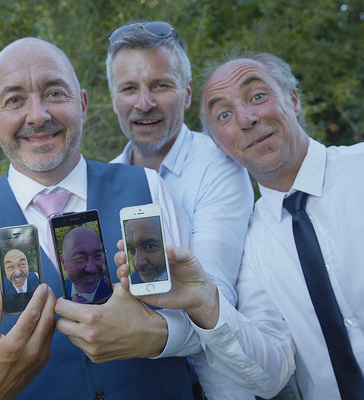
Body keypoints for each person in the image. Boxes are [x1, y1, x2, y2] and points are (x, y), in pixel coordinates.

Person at [0, 37, 222, 399]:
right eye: (15, 100)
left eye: (55, 93)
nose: (38, 115)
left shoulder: (148, 188)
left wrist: (158, 334)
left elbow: (207, 328)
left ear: (82, 103)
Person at [118, 52, 364, 400]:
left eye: (258, 97)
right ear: (219, 144)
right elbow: (271, 374)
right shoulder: (253, 246)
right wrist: (204, 301)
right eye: (224, 114)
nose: (246, 119)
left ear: (293, 100)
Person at [107, 21, 255, 399]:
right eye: (129, 88)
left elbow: (213, 294)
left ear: (187, 93)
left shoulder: (219, 166)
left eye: (160, 85)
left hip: (214, 384)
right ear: (112, 99)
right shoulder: (103, 180)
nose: (144, 103)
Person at [61, 226, 111, 303]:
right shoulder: (58, 293)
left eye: (97, 256)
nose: (91, 268)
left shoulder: (111, 293)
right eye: (79, 258)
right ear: (64, 262)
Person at [124, 217, 167, 283]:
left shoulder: (184, 276)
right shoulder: (133, 281)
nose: (137, 263)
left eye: (150, 246)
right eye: (131, 249)